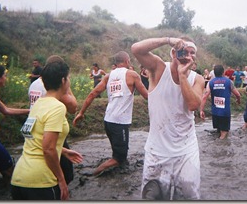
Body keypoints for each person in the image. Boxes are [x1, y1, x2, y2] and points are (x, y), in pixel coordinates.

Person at [131, 36, 204, 200]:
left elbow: (193, 105)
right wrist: (167, 39)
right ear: (173, 53)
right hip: (157, 150)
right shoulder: (158, 68)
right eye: (184, 51)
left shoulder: (197, 78)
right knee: (153, 196)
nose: (188, 56)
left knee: (189, 195)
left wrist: (183, 76)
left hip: (186, 149)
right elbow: (136, 49)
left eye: (192, 53)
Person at [11, 59, 83, 200]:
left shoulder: (38, 103)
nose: (69, 81)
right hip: (41, 181)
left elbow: (35, 139)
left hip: (19, 178)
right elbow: (48, 149)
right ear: (63, 81)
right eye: (68, 78)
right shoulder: (57, 107)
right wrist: (61, 180)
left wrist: (63, 150)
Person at [73, 51, 148, 176]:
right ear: (127, 61)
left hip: (108, 121)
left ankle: (118, 172)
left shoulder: (108, 76)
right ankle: (93, 173)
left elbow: (93, 94)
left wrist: (81, 112)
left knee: (118, 153)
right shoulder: (132, 75)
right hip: (120, 122)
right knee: (119, 158)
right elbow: (147, 96)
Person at [28, 55, 80, 185]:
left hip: (35, 131)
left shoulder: (34, 85)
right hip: (53, 130)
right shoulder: (55, 99)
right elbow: (73, 107)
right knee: (65, 174)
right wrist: (67, 87)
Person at [200, 65, 241, 139]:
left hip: (215, 112)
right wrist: (238, 100)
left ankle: (217, 145)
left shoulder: (210, 82)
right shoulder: (229, 82)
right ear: (223, 72)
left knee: (218, 130)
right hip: (225, 112)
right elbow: (238, 94)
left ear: (214, 73)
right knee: (224, 133)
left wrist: (201, 110)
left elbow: (205, 96)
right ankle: (219, 147)